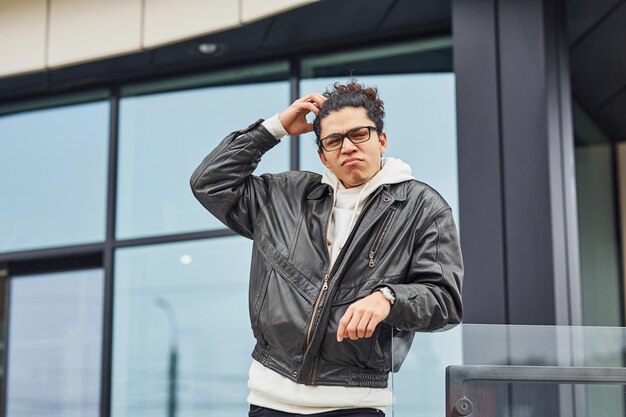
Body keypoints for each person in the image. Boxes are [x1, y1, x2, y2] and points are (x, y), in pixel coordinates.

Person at [190, 81, 463, 416]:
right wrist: (273, 128)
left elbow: (446, 302)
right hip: (268, 402)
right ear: (322, 155)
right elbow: (209, 182)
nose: (347, 147)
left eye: (359, 134)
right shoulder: (285, 197)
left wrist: (389, 298)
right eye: (334, 140)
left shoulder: (423, 208)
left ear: (382, 139)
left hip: (355, 405)